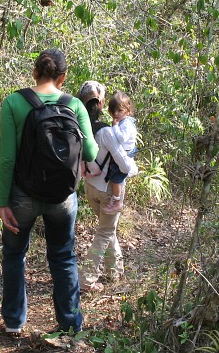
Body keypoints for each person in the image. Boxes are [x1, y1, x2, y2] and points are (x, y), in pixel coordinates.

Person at [0, 49, 98, 335]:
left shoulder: (14, 102)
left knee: (14, 256)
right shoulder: (75, 105)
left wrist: (3, 201)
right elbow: (90, 152)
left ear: (34, 72)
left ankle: (14, 323)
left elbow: (7, 159)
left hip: (21, 196)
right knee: (63, 256)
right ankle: (69, 324)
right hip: (63, 199)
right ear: (63, 77)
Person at [76, 81, 138, 292]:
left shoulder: (77, 127)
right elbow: (121, 163)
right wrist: (133, 167)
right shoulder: (106, 131)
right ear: (101, 103)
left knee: (107, 229)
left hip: (89, 188)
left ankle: (116, 272)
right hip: (107, 190)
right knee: (104, 232)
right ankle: (86, 279)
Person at [102, 92, 138, 214]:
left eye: (120, 110)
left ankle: (117, 201)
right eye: (113, 111)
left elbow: (121, 138)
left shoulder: (126, 123)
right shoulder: (124, 121)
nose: (116, 114)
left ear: (127, 110)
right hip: (125, 150)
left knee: (115, 177)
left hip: (126, 152)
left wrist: (115, 127)